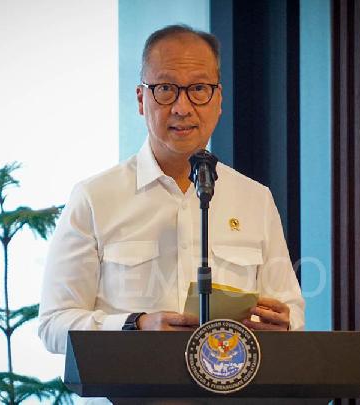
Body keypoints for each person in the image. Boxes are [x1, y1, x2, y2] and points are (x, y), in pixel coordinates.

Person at [38, 24, 305, 355]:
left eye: (199, 89)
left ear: (218, 100)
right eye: (165, 88)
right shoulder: (94, 198)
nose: (182, 107)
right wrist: (135, 325)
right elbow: (53, 325)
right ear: (141, 99)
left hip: (228, 380)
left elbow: (291, 312)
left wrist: (282, 324)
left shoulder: (255, 199)